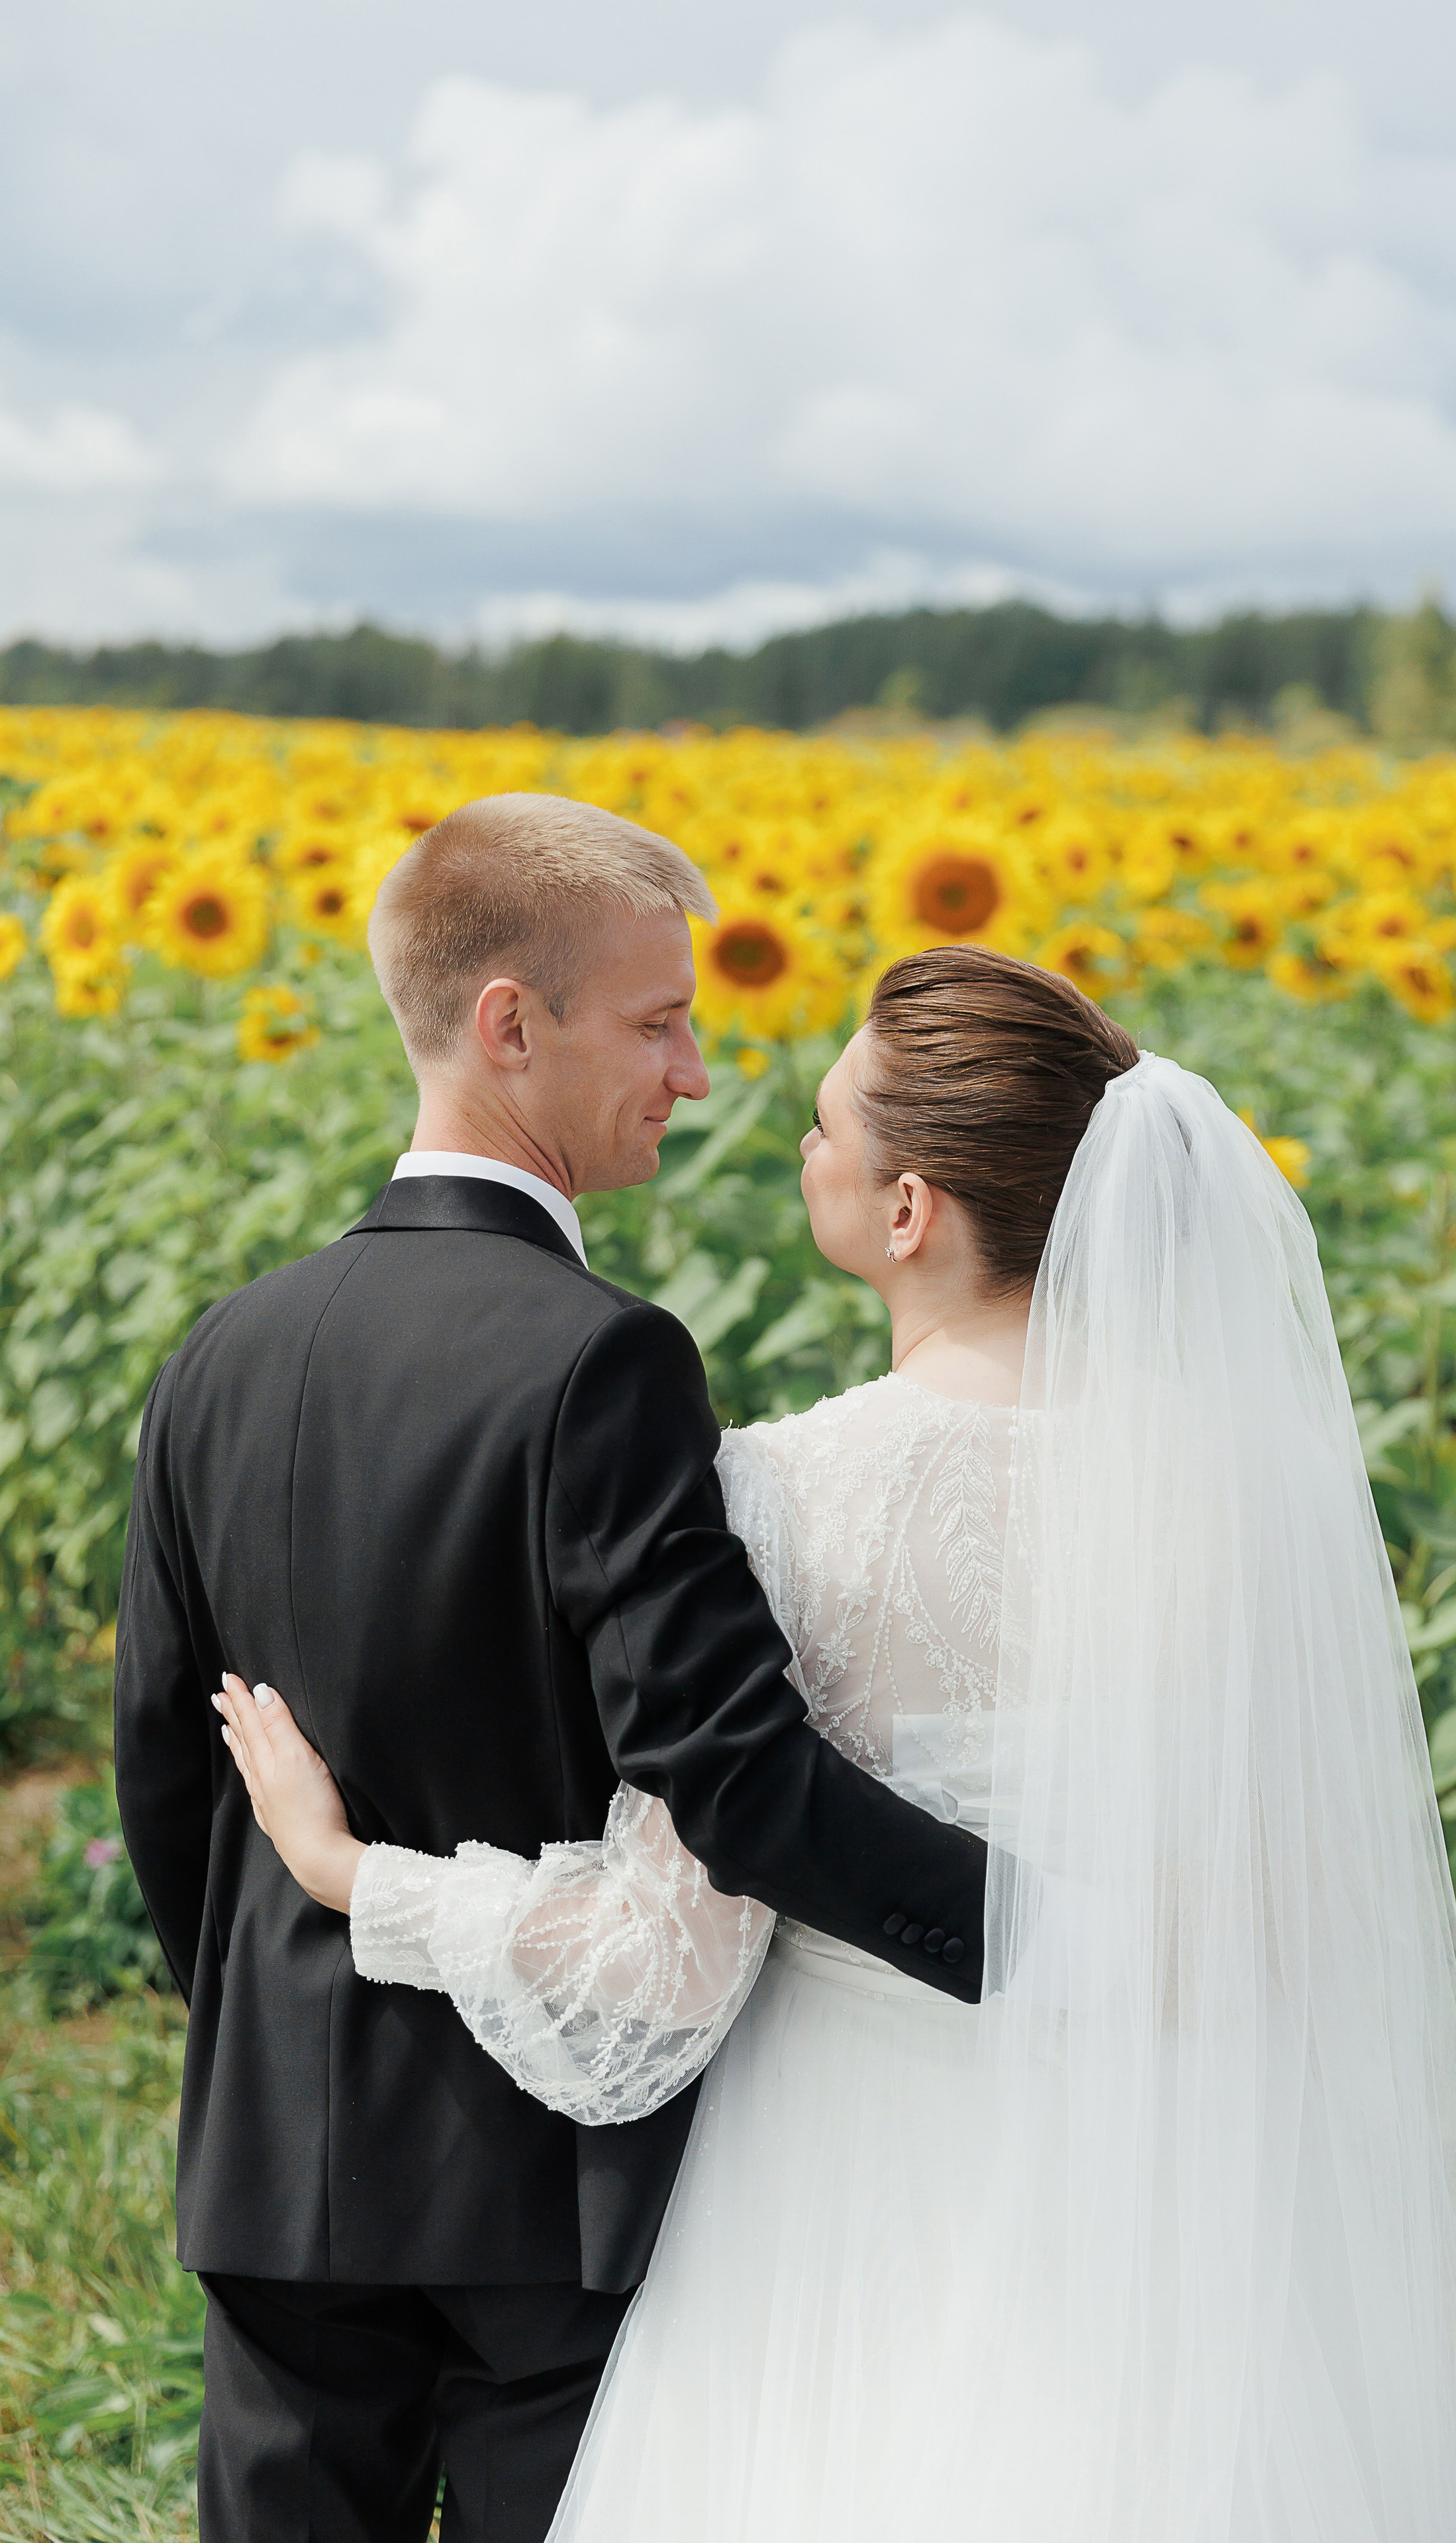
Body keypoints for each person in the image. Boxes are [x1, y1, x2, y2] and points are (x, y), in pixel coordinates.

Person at [217, 943, 1456, 2543]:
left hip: (853, 2185)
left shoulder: (793, 1499)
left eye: (821, 1124)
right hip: (1186, 2190)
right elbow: (1284, 1918)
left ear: (907, 1210)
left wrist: (354, 1872)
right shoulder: (1258, 1495)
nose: (790, 1141)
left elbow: (665, 1963)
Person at [113, 795, 989, 2543]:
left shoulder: (223, 1350)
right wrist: (1029, 1931)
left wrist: (272, 2040)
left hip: (278, 2162)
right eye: (659, 1021)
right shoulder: (602, 1363)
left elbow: (162, 1767)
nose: (694, 1068)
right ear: (513, 1023)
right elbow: (732, 1781)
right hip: (539, 2188)